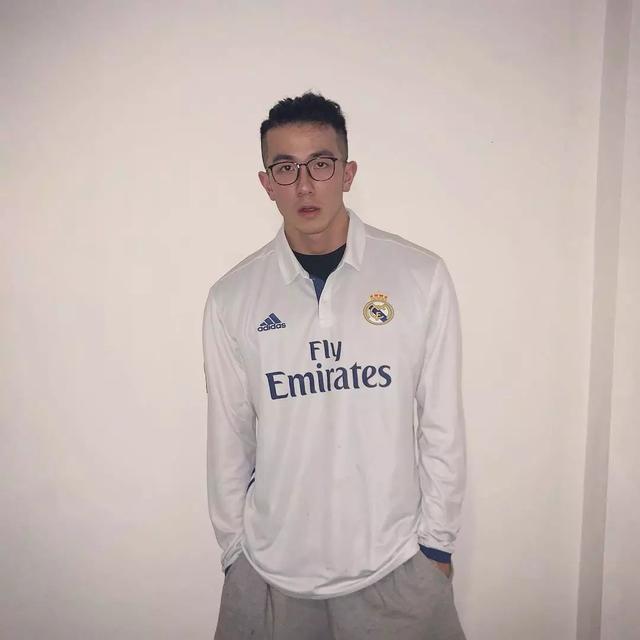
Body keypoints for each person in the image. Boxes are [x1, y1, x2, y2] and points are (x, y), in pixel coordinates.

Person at [203, 92, 467, 639]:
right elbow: (229, 436)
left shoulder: (419, 277)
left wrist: (436, 546)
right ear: (266, 182)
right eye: (286, 168)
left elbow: (441, 424)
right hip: (272, 575)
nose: (305, 185)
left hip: (396, 567)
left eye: (320, 164)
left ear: (347, 173)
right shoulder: (233, 297)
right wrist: (235, 552)